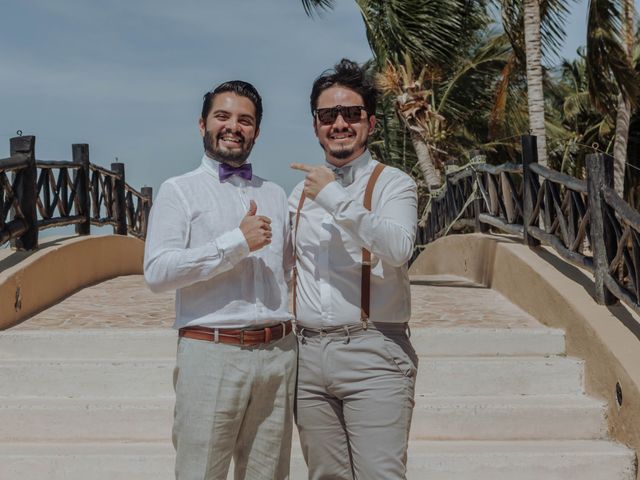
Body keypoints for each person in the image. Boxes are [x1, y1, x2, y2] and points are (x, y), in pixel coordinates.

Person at [144, 80, 296, 480]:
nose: (234, 127)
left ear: (257, 132)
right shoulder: (179, 191)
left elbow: (290, 270)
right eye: (223, 116)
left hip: (279, 354)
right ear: (202, 125)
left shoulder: (277, 194)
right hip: (211, 353)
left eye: (245, 120)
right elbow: (158, 272)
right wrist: (234, 244)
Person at [289, 59, 419, 480]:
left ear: (371, 123)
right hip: (307, 357)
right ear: (316, 125)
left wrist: (333, 197)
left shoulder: (393, 183)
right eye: (329, 115)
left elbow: (398, 248)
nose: (339, 123)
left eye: (351, 114)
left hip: (374, 350)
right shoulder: (297, 193)